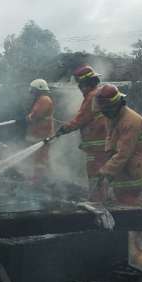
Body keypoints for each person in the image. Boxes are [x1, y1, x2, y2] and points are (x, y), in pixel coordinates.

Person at [94, 84, 142, 206]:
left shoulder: (131, 121)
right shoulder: (111, 116)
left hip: (138, 168)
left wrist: (105, 171)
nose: (103, 113)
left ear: (115, 105)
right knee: (119, 194)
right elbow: (110, 138)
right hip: (128, 164)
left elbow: (123, 153)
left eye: (106, 109)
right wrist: (108, 163)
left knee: (126, 198)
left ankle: (140, 212)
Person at [55, 65, 108, 201]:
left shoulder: (92, 97)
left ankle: (97, 200)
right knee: (101, 172)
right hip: (103, 143)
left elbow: (81, 119)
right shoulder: (98, 94)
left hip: (97, 145)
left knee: (95, 172)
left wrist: (63, 129)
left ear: (86, 83)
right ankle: (102, 197)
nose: (79, 87)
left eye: (80, 84)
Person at [26, 78, 54, 182]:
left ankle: (39, 179)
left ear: (39, 89)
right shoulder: (41, 99)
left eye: (33, 90)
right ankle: (43, 177)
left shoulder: (44, 100)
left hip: (43, 133)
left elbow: (36, 115)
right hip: (40, 133)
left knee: (40, 158)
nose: (32, 93)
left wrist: (27, 118)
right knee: (40, 157)